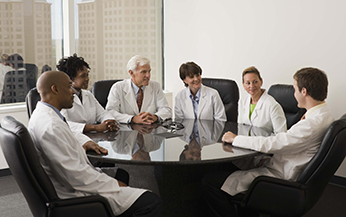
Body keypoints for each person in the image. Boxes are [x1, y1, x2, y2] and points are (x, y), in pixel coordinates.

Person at [202, 67, 334, 217]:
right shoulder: (323, 115)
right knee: (230, 166)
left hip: (278, 178)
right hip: (283, 165)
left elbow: (273, 143)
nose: (294, 94)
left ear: (304, 91)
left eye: (295, 89)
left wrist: (235, 139)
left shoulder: (310, 124)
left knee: (209, 181)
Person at [28, 71, 162, 217]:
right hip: (75, 195)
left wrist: (85, 141)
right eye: (68, 86)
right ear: (55, 89)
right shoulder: (51, 126)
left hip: (70, 183)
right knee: (151, 201)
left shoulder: (44, 115)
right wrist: (113, 185)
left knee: (121, 175)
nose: (72, 92)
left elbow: (69, 134)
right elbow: (74, 176)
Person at [57, 54, 118, 134]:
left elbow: (102, 114)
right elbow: (65, 124)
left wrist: (109, 122)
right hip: (75, 140)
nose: (87, 79)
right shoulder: (62, 98)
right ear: (70, 79)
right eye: (83, 76)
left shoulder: (88, 95)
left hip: (93, 138)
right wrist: (95, 127)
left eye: (87, 75)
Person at [106, 55, 172, 124]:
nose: (148, 75)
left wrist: (155, 117)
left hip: (149, 130)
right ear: (131, 73)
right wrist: (132, 119)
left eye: (149, 71)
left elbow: (166, 110)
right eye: (143, 72)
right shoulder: (118, 87)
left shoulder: (155, 86)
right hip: (126, 131)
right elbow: (110, 112)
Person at [238, 66, 287, 134]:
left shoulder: (273, 105)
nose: (252, 86)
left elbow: (281, 135)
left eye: (255, 82)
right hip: (246, 143)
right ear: (243, 84)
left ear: (261, 81)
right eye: (248, 83)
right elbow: (241, 127)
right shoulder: (242, 101)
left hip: (265, 144)